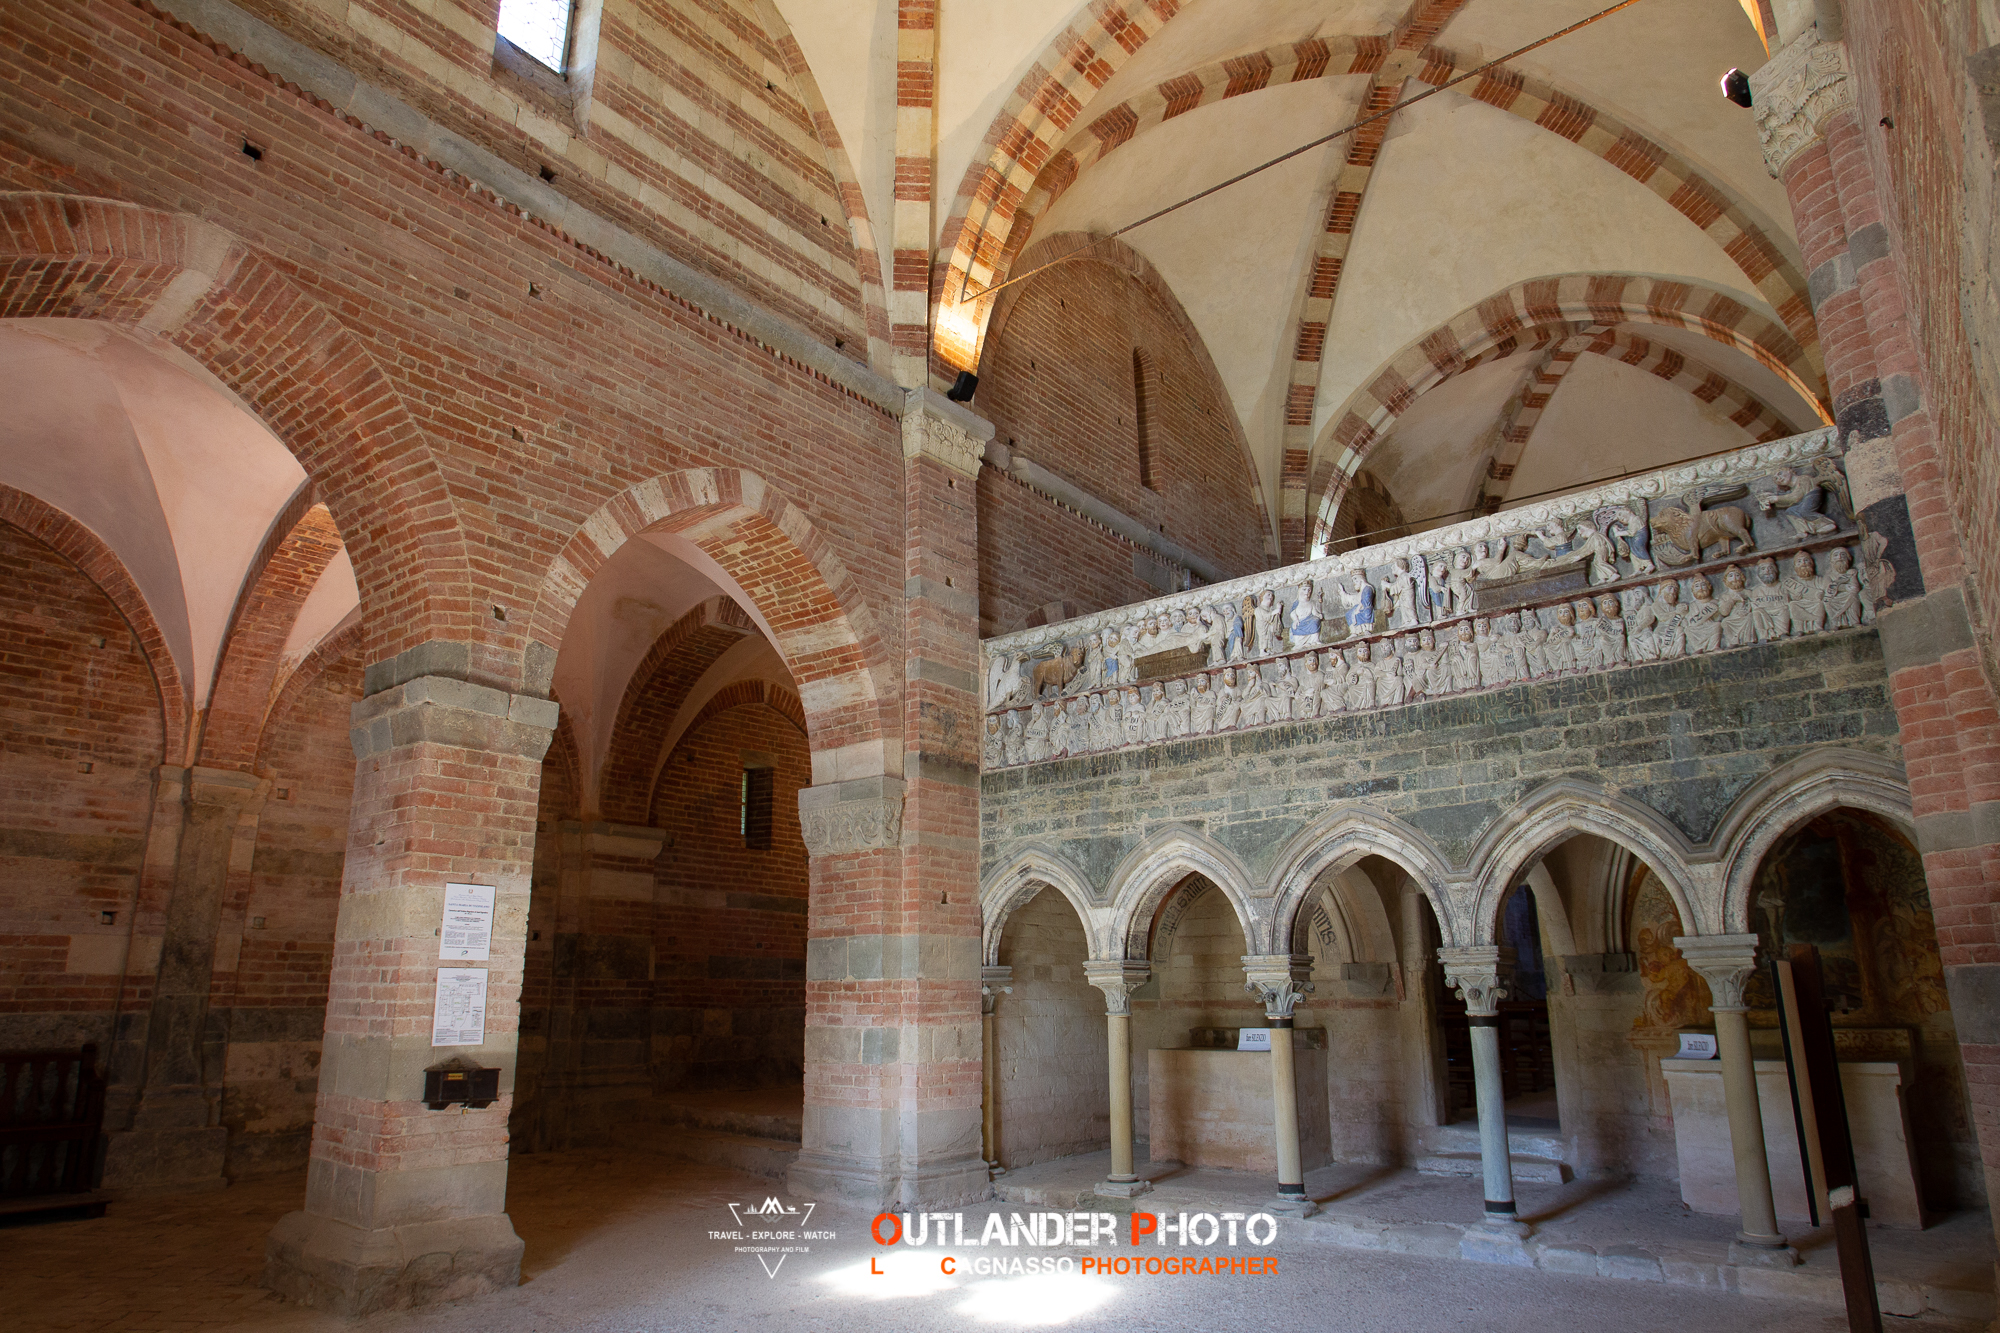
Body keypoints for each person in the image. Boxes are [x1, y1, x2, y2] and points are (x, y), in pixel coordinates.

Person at [1823, 545, 1863, 629]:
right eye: (1836, 555)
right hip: (1834, 597)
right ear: (1831, 561)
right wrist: (1845, 587)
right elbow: (1828, 589)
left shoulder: (1851, 572)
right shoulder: (1828, 576)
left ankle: (1854, 621)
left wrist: (1842, 585)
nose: (1839, 557)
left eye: (1843, 555)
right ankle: (1835, 623)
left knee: (1853, 596)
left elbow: (1855, 588)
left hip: (1849, 595)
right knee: (1827, 601)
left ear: (1848, 559)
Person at [1683, 574, 1724, 654]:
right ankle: (1698, 648)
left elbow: (1720, 615)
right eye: (1697, 586)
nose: (1700, 589)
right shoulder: (1692, 605)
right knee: (1688, 629)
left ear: (1709, 587)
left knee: (1717, 625)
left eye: (1703, 585)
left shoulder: (1715, 602)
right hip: (1697, 628)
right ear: (1693, 590)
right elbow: (1690, 619)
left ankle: (1714, 647)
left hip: (1710, 626)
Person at [1718, 563, 1756, 647]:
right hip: (1734, 617)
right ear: (1726, 580)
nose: (1734, 579)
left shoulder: (1748, 592)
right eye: (1731, 576)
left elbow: (1756, 603)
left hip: (1747, 614)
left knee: (1750, 617)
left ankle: (1749, 640)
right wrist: (1732, 600)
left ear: (1742, 578)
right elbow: (1724, 612)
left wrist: (1747, 609)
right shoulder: (1725, 596)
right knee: (1725, 622)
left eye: (1737, 575)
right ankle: (1733, 642)